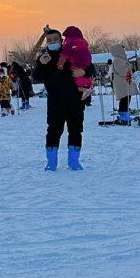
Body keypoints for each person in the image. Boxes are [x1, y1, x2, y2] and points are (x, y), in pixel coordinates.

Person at [31, 26, 93, 170]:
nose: (53, 42)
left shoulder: (72, 52)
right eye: (49, 40)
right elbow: (36, 77)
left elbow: (90, 67)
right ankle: (51, 162)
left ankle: (74, 161)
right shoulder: (44, 58)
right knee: (53, 131)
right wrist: (40, 64)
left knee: (76, 130)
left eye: (55, 39)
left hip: (75, 101)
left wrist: (84, 71)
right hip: (55, 103)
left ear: (61, 40)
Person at [56, 27, 93, 99]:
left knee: (77, 80)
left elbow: (64, 55)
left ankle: (84, 89)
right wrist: (85, 71)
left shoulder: (69, 43)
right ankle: (88, 87)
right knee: (83, 78)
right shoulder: (83, 42)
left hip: (76, 63)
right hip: (85, 63)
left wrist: (60, 63)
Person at [109, 44, 138, 124]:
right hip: (122, 82)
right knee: (124, 97)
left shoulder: (121, 59)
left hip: (125, 82)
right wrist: (129, 70)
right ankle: (123, 114)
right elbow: (123, 71)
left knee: (127, 96)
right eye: (123, 50)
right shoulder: (118, 60)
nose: (124, 51)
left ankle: (125, 112)